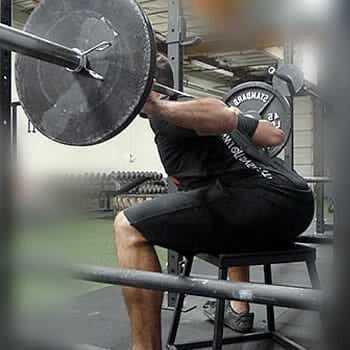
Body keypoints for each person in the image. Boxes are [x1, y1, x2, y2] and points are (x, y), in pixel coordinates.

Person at [114, 54, 314, 350]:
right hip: (296, 204)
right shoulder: (195, 117)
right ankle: (238, 310)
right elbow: (273, 134)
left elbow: (224, 116)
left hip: (265, 204)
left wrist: (157, 105)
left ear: (149, 85)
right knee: (219, 200)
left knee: (127, 226)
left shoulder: (173, 113)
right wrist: (237, 117)